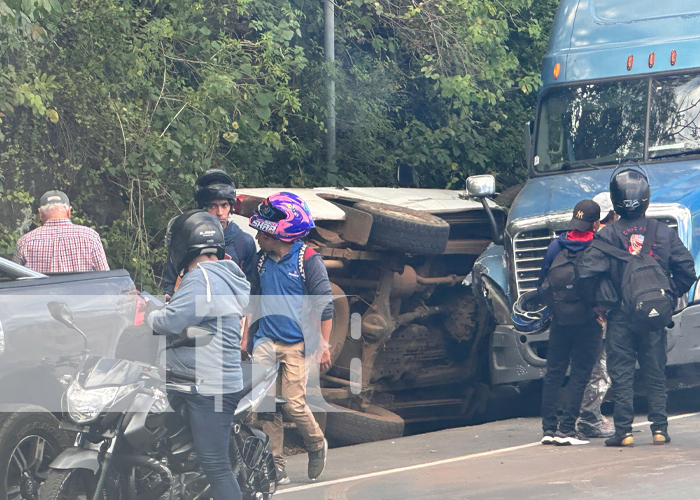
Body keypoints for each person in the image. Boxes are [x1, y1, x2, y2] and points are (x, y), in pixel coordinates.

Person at [578, 164, 696, 447]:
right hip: (654, 315)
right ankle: (659, 429)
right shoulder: (662, 232)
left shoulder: (606, 235)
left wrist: (598, 305)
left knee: (621, 373)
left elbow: (585, 274)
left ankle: (624, 432)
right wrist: (668, 298)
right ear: (646, 197)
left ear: (614, 199)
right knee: (655, 370)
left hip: (620, 313)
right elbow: (687, 270)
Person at [147, 210, 250, 500]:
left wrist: (148, 314)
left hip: (208, 387)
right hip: (193, 380)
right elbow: (196, 313)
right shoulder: (221, 274)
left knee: (216, 466)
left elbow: (170, 322)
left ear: (181, 244)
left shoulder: (200, 278)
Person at [243, 192, 333, 483]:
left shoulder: (307, 260)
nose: (257, 236)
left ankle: (316, 443)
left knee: (294, 404)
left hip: (296, 343)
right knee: (265, 406)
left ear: (278, 233)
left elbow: (325, 304)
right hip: (265, 341)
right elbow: (252, 301)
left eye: (261, 232)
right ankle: (275, 462)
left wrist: (323, 343)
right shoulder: (261, 261)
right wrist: (246, 337)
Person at [537, 200, 603, 446]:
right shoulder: (597, 247)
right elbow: (604, 286)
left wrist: (555, 310)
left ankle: (548, 430)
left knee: (553, 373)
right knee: (579, 374)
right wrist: (600, 311)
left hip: (560, 321)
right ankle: (567, 430)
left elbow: (542, 283)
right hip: (588, 321)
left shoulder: (556, 246)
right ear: (596, 223)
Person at [162, 169, 256, 296]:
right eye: (213, 206)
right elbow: (170, 283)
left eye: (224, 205)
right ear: (202, 208)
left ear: (231, 207)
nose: (220, 212)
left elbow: (252, 288)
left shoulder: (243, 242)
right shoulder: (186, 236)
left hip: (228, 312)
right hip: (190, 308)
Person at [576, 192, 616, 439]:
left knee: (588, 366)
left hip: (577, 314)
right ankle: (590, 419)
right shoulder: (603, 242)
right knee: (599, 369)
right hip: (598, 315)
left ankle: (582, 416)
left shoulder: (576, 239)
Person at [13, 190, 109, 273]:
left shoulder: (25, 242)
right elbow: (106, 278)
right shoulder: (90, 237)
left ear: (40, 213)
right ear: (69, 211)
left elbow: (14, 281)